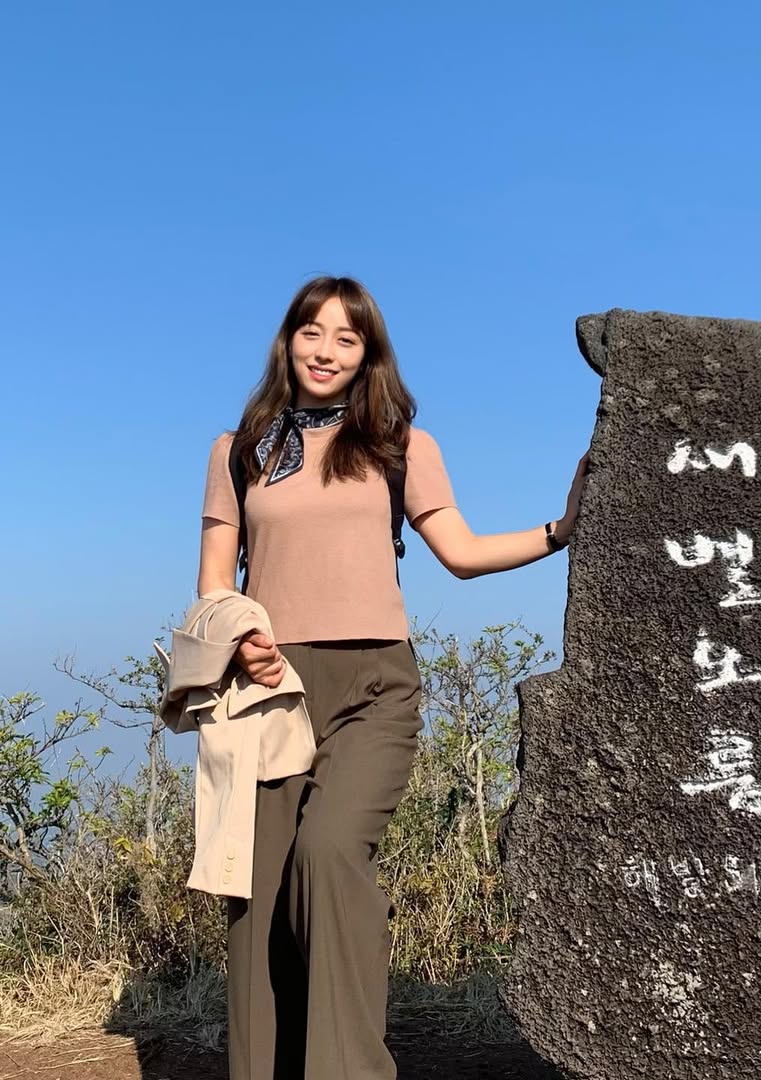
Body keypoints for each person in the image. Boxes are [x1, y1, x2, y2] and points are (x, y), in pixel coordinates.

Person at [196, 275, 588, 1080]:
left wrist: (562, 528)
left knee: (329, 854)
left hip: (376, 685)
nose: (325, 350)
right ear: (288, 341)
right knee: (257, 894)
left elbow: (462, 554)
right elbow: (213, 585)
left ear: (368, 353)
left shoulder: (401, 443)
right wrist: (243, 641)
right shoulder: (239, 449)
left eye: (347, 338)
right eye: (312, 332)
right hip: (270, 689)